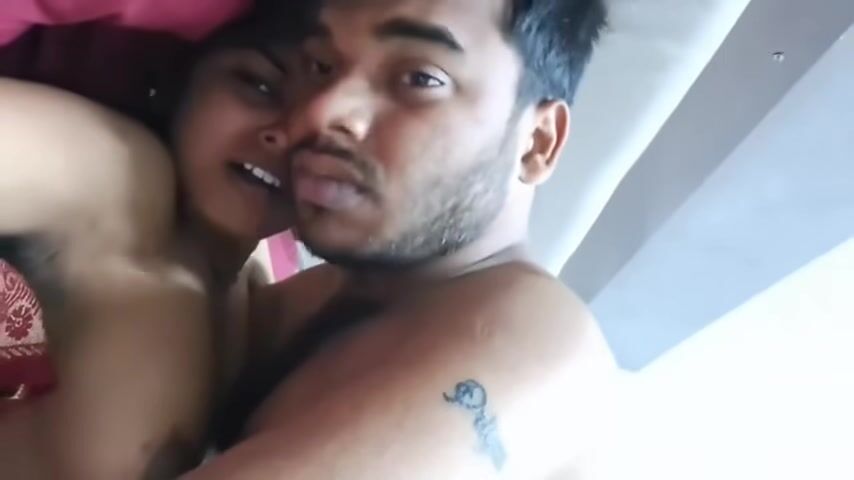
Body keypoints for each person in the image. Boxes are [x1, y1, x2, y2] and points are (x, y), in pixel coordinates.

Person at [188, 0, 618, 478]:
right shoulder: (304, 296)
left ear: (538, 142)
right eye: (321, 67)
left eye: (420, 79)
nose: (320, 111)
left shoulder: (540, 346)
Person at [0, 6, 307, 477]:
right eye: (260, 86)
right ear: (186, 83)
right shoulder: (119, 175)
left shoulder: (270, 286)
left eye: (324, 132)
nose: (284, 137)